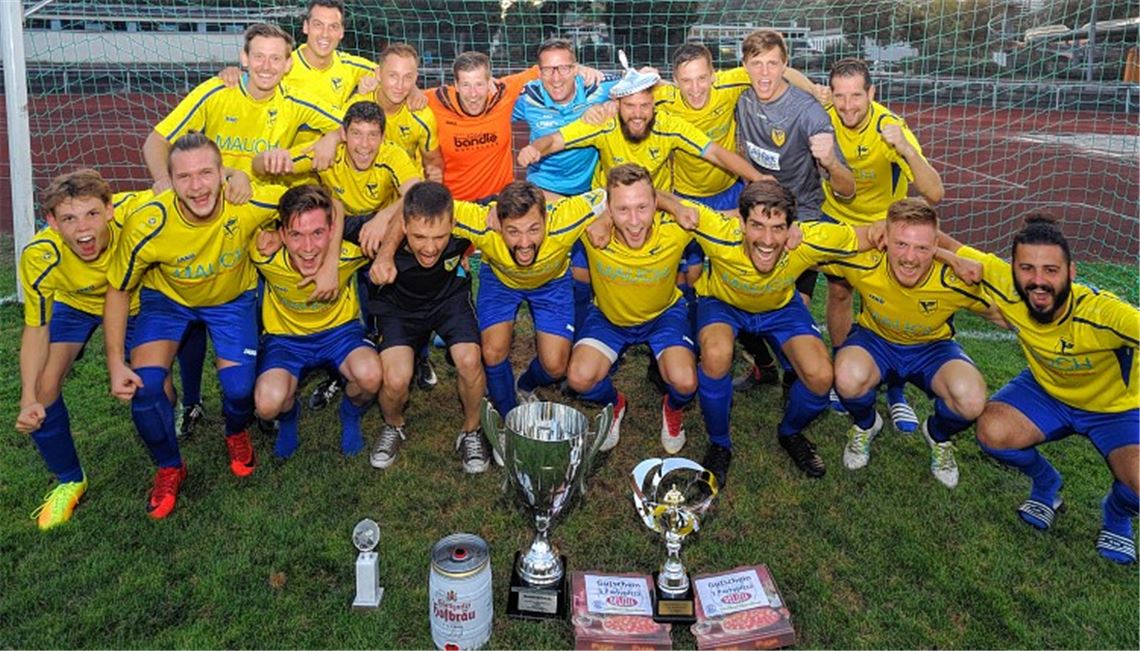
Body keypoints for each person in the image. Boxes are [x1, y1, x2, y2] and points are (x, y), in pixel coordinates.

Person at [143, 22, 345, 433]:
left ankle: (259, 389)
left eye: (276, 57)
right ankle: (194, 401)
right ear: (243, 58)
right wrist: (169, 188)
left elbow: (345, 124)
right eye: (258, 56)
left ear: (289, 64)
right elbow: (155, 142)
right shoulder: (218, 91)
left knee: (252, 300)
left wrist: (330, 137)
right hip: (205, 212)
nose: (266, 66)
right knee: (191, 302)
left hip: (258, 216)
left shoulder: (295, 101)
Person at [104, 133, 286, 519]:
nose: (197, 186)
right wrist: (115, 362)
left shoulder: (248, 201)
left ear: (223, 173)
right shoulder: (148, 221)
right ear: (168, 180)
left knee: (239, 390)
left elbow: (319, 204)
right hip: (167, 303)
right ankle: (170, 466)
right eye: (184, 177)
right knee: (145, 386)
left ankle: (235, 431)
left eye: (206, 173)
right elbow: (118, 290)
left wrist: (278, 234)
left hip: (231, 301)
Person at [948, 216, 1139, 565]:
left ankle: (1116, 514)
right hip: (1047, 392)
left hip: (1117, 410)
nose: (1038, 280)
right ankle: (1047, 484)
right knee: (992, 432)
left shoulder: (1106, 313)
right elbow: (941, 242)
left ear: (1071, 272)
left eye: (1051, 270)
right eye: (1027, 268)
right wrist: (950, 258)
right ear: (1013, 269)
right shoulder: (1005, 284)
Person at [689, 180, 881, 485]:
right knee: (716, 354)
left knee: (820, 376)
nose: (767, 239)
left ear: (792, 227)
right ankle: (719, 443)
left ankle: (791, 432)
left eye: (778, 227)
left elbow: (869, 235)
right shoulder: (718, 230)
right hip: (723, 304)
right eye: (757, 225)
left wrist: (942, 249)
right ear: (740, 222)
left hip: (780, 308)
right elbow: (665, 203)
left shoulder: (807, 239)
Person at [818, 198, 989, 488]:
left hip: (933, 350)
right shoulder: (864, 260)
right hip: (876, 342)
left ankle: (938, 435)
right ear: (884, 238)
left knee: (971, 399)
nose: (910, 257)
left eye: (922, 247)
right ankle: (865, 424)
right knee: (846, 376)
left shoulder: (956, 277)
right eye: (901, 244)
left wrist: (956, 259)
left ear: (936, 244)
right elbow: (814, 245)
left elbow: (1008, 312)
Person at [817, 58, 946, 432]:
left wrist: (904, 147)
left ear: (872, 93)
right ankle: (845, 375)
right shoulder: (821, 115)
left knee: (886, 301)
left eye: (856, 95)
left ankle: (896, 391)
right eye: (839, 96)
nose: (847, 105)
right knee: (839, 294)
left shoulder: (889, 126)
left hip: (882, 230)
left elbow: (934, 193)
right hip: (838, 225)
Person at [16, 170, 148, 529]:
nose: (82, 228)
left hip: (134, 304)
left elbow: (188, 189)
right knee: (43, 387)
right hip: (74, 306)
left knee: (152, 385)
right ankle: (69, 480)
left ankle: (170, 455)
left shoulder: (137, 212)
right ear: (53, 223)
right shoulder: (40, 255)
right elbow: (36, 328)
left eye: (91, 213)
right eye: (69, 218)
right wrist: (27, 397)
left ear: (110, 209)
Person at [732, 28, 856, 404]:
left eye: (773, 63)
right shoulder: (739, 98)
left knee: (791, 314)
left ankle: (794, 379)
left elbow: (847, 188)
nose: (765, 73)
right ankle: (764, 367)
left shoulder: (807, 112)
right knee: (733, 301)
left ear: (785, 66)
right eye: (757, 64)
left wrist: (831, 160)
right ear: (745, 67)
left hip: (800, 219)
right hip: (753, 215)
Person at [354, 182, 490, 473]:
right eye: (419, 237)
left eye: (440, 237)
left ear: (454, 223)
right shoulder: (378, 234)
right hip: (397, 308)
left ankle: (471, 431)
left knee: (469, 360)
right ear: (402, 224)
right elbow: (323, 221)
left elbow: (523, 207)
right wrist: (273, 233)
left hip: (448, 301)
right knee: (395, 379)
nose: (430, 248)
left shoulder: (469, 223)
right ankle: (394, 425)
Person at [566, 164, 701, 454]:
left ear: (656, 204)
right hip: (609, 318)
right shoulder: (590, 228)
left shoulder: (676, 227)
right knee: (579, 378)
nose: (635, 221)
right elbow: (542, 210)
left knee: (686, 382)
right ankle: (615, 403)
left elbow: (733, 219)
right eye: (623, 209)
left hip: (664, 316)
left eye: (643, 207)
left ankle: (672, 409)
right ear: (609, 209)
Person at [454, 181, 608, 418]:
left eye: (534, 229)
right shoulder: (483, 221)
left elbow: (617, 195)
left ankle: (525, 384)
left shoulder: (566, 217)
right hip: (500, 281)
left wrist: (605, 218)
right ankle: (508, 416)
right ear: (499, 223)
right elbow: (427, 204)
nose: (524, 243)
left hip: (551, 284)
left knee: (555, 366)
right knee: (493, 351)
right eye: (513, 231)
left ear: (547, 219)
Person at [251, 184, 381, 459]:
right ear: (282, 234)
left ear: (332, 231)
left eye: (318, 233)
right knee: (266, 404)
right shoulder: (264, 253)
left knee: (370, 376)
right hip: (285, 341)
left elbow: (400, 222)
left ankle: (350, 413)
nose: (308, 248)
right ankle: (288, 418)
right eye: (296, 235)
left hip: (340, 333)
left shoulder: (350, 253)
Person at [512, 38, 620, 200]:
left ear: (575, 69)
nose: (556, 78)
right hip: (543, 187)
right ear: (539, 73)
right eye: (548, 70)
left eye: (564, 68)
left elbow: (643, 88)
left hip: (590, 189)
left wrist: (616, 102)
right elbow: (491, 109)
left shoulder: (597, 88)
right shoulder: (527, 97)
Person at [428, 51, 539, 202]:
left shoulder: (503, 94)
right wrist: (413, 92)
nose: (473, 94)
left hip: (498, 203)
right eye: (466, 85)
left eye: (479, 84)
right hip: (456, 204)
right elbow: (399, 92)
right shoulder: (435, 102)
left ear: (489, 82)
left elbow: (545, 70)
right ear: (456, 86)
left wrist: (579, 69)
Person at [355, 43, 444, 182]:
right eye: (393, 76)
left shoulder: (422, 117)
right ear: (378, 74)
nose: (400, 85)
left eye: (407, 77)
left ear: (415, 78)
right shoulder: (355, 107)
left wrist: (433, 175)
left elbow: (433, 163)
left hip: (406, 191)